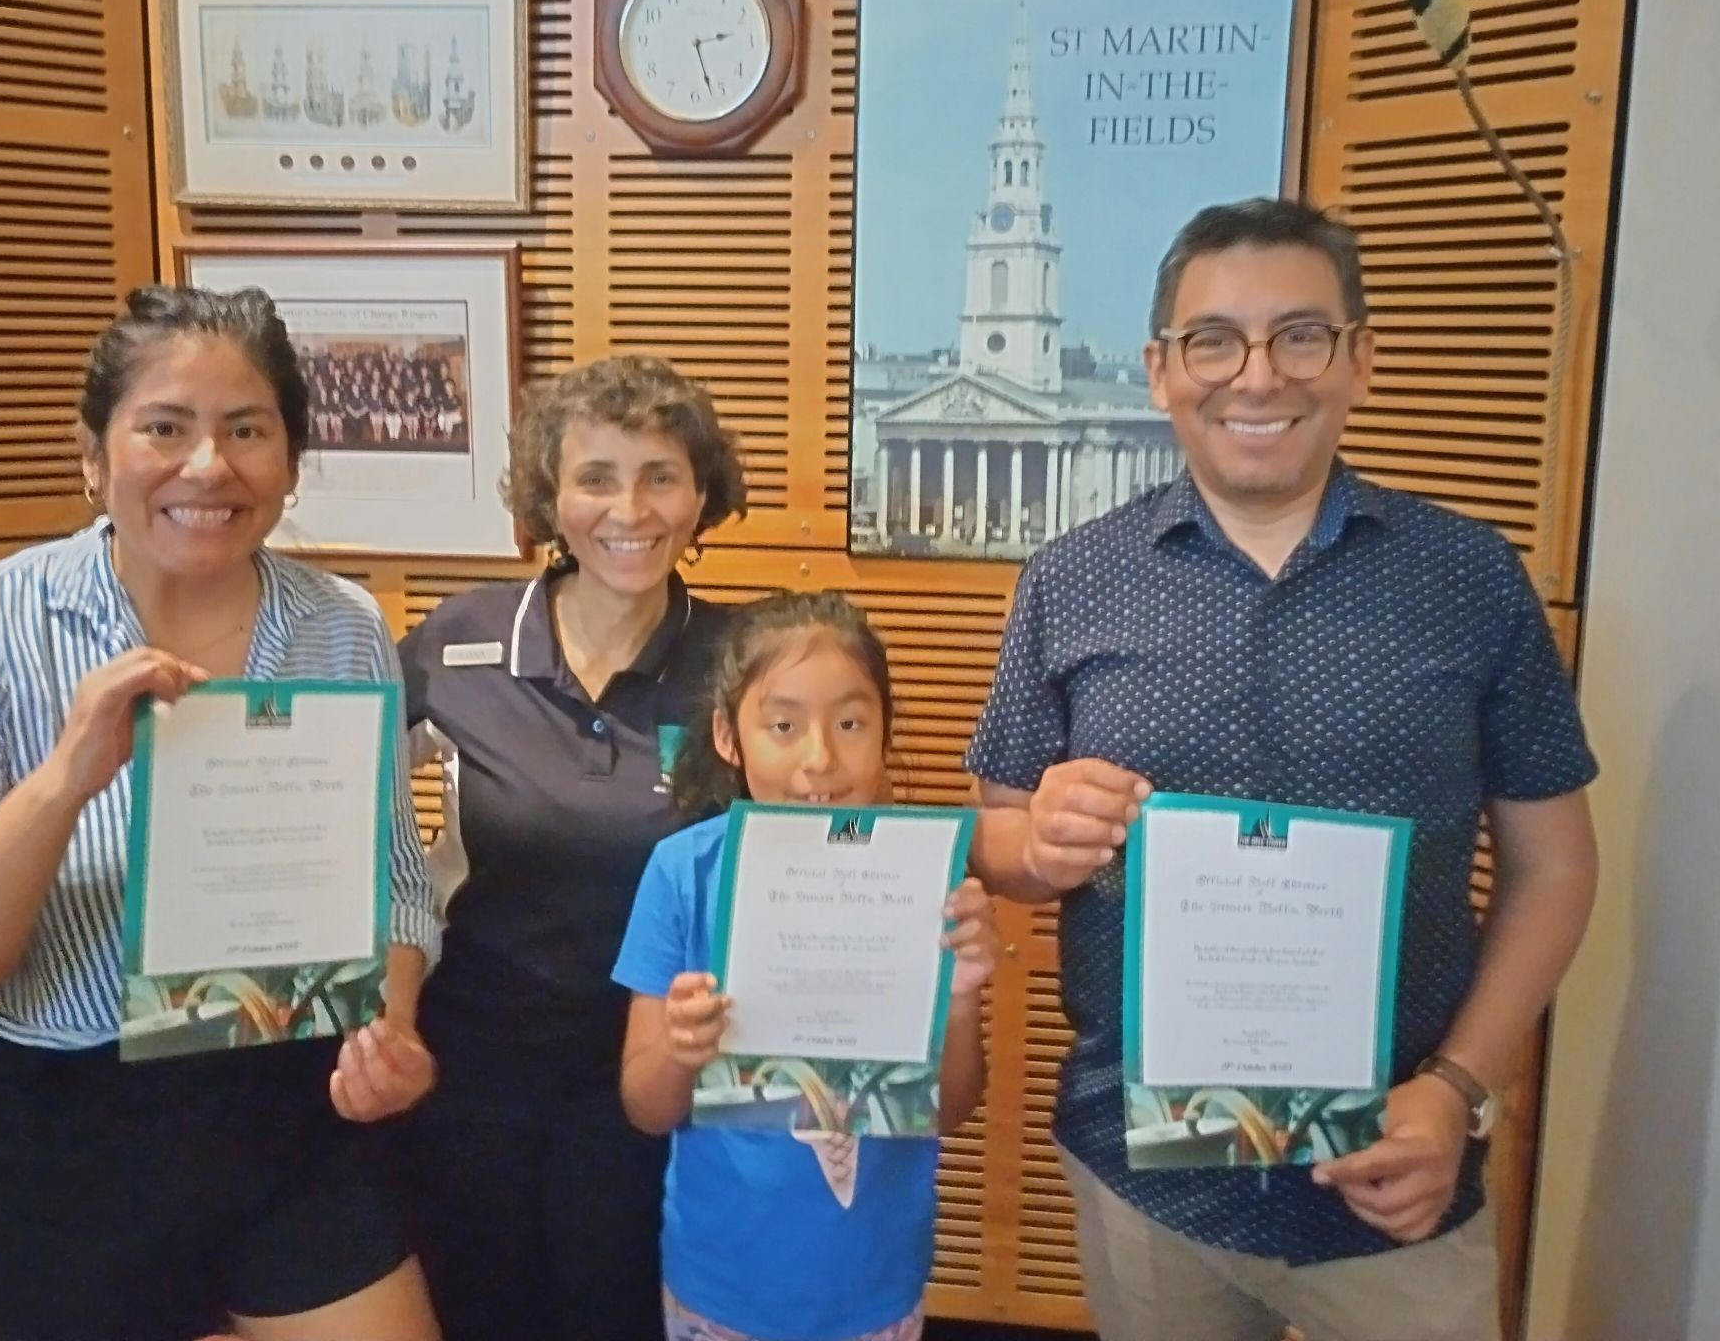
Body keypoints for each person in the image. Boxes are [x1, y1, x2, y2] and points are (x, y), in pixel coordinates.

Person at [966, 199, 1600, 1341]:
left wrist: (1456, 1091)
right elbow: (998, 841)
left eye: (1298, 335)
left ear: (1358, 358)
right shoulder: (1068, 581)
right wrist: (1037, 840)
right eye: (1213, 341)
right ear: (1160, 370)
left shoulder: (1469, 577)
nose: (1255, 377)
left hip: (1395, 1169)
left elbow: (1552, 868)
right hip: (1146, 1174)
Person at [0, 286, 445, 1341]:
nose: (208, 467)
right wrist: (65, 778)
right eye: (165, 428)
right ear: (95, 456)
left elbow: (392, 882)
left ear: (289, 463)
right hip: (46, 1130)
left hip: (279, 1102)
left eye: (246, 430)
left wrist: (386, 1027)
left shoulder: (341, 631)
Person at [397, 354, 749, 1340]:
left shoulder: (739, 659)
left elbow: (823, 818)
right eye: (595, 477)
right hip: (468, 1072)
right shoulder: (462, 638)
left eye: (659, 476)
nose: (625, 508)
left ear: (699, 498)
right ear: (549, 496)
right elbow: (328, 789)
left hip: (646, 1079)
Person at [614, 590, 997, 1341]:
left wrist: (959, 1000)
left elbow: (951, 1106)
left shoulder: (925, 880)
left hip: (875, 1290)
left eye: (850, 723)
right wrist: (681, 1050)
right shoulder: (682, 874)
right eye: (782, 726)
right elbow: (644, 1105)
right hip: (720, 1290)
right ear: (729, 736)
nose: (819, 758)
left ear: (885, 730)